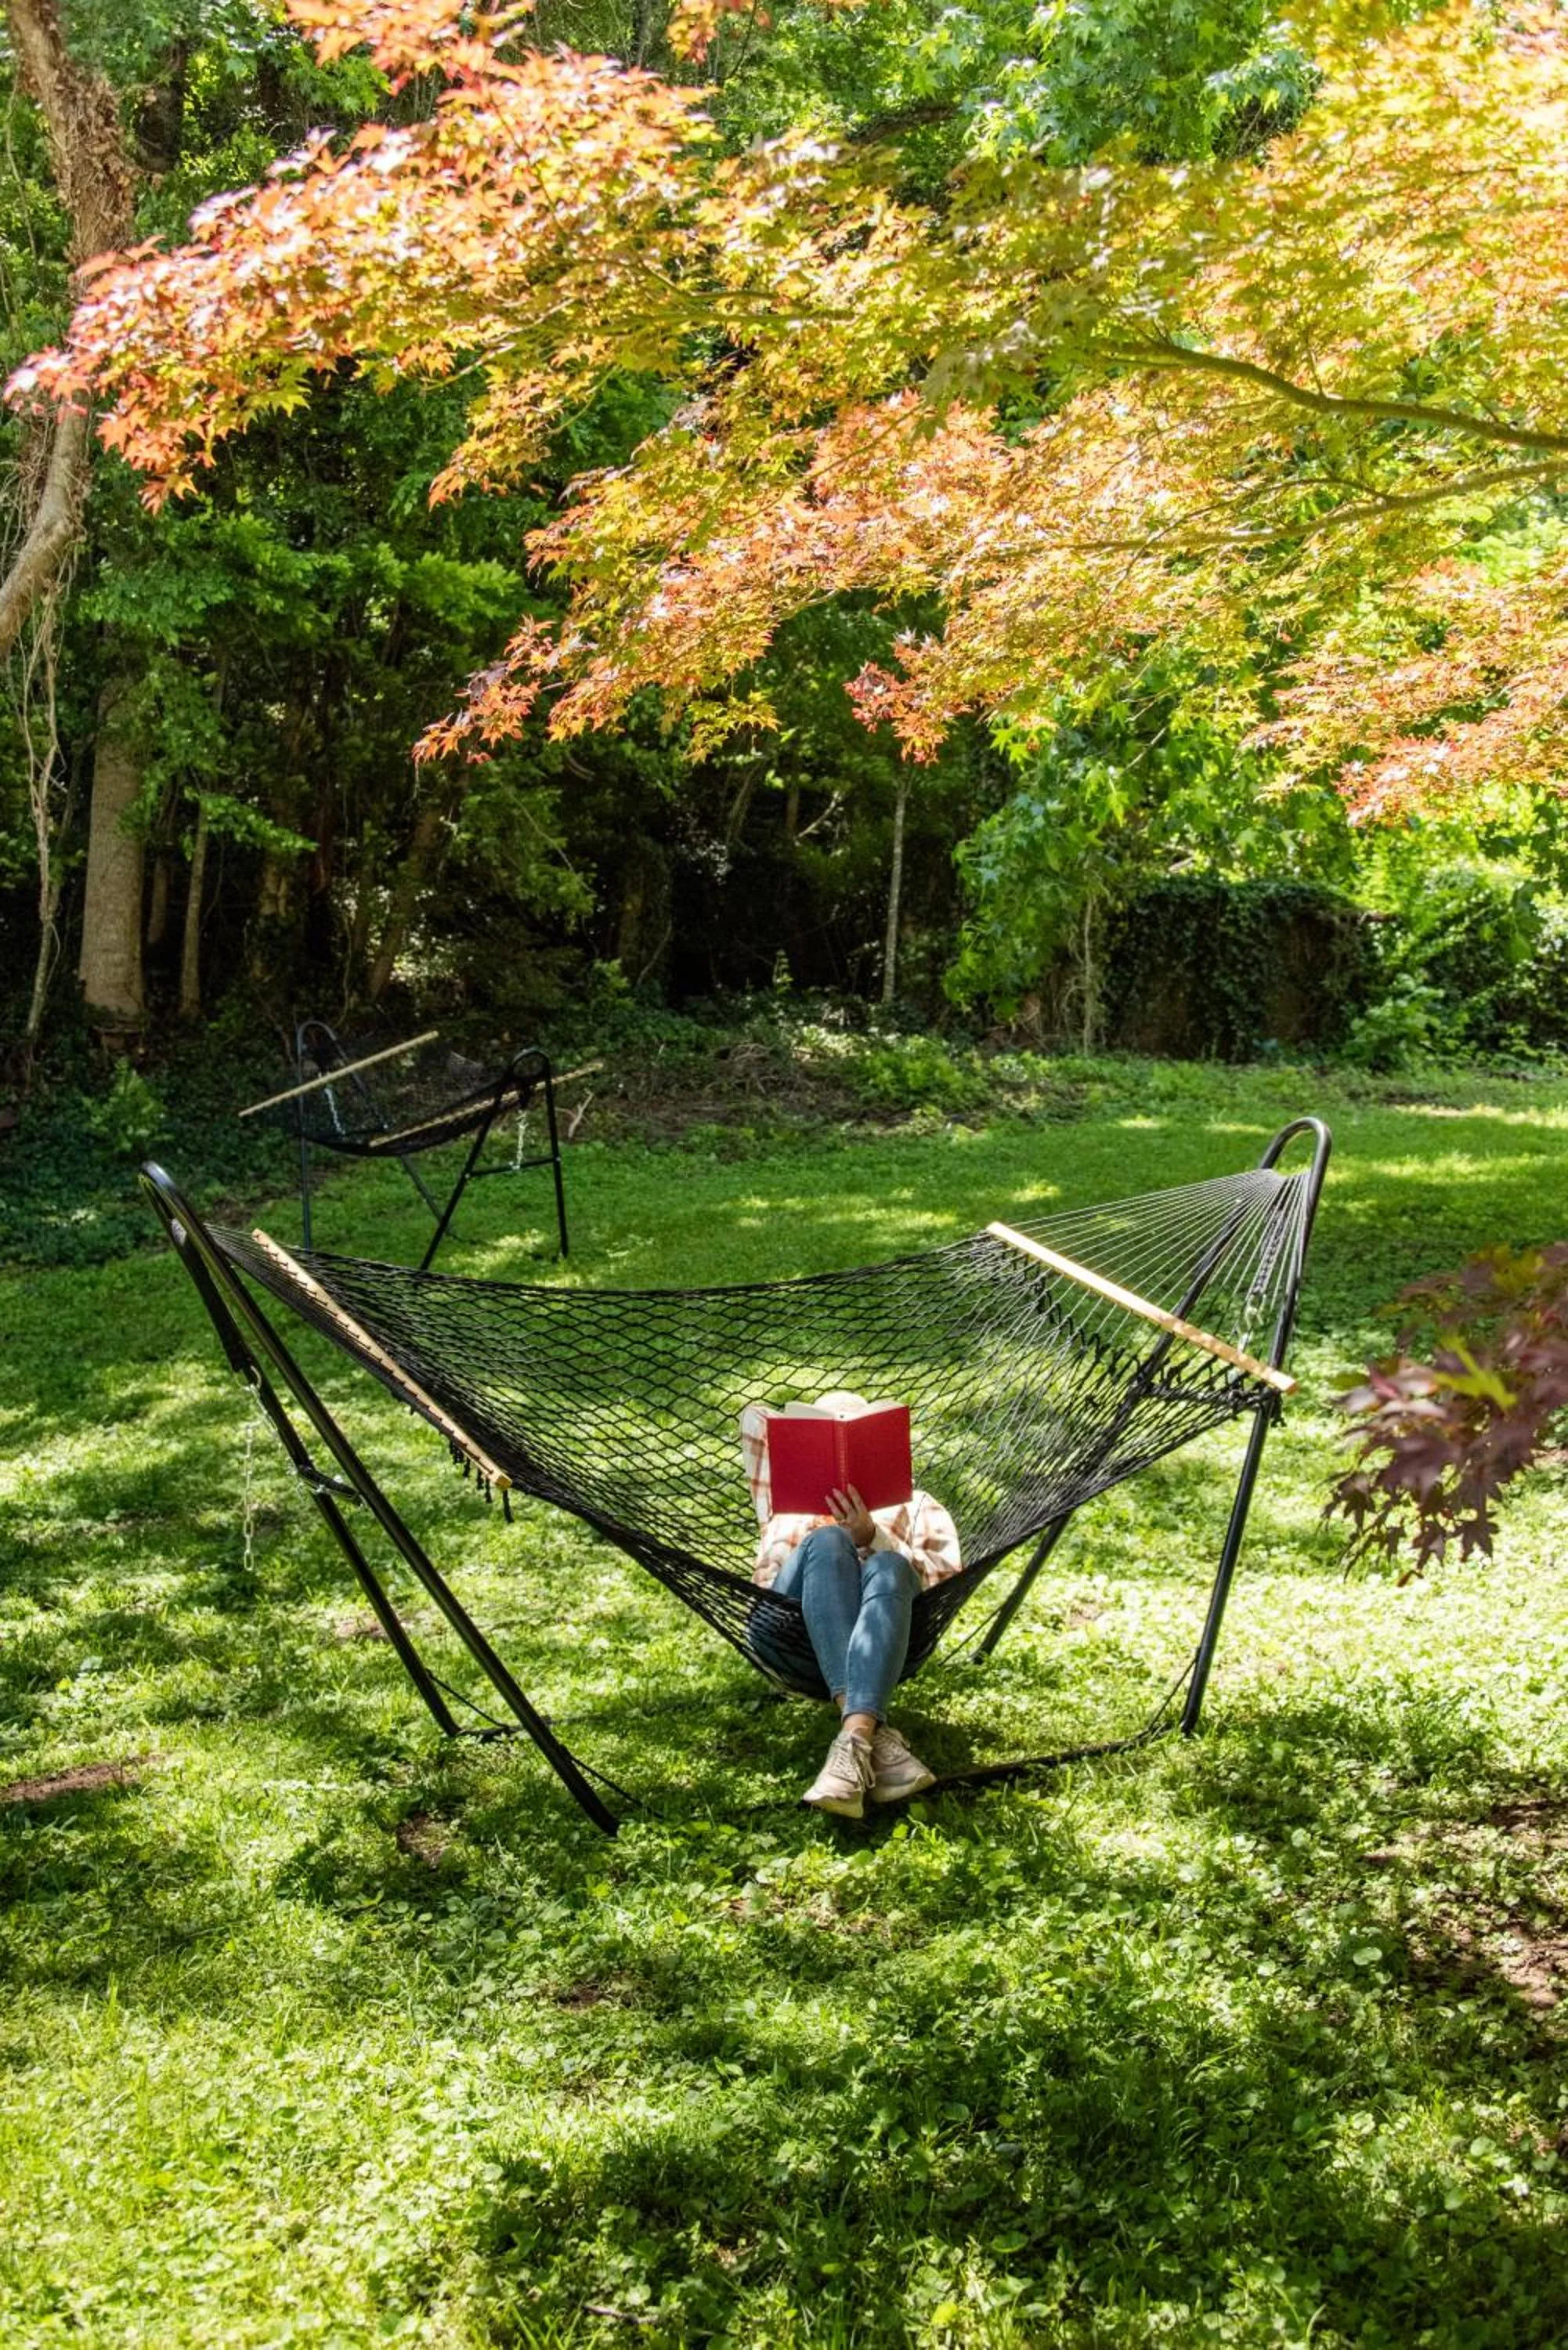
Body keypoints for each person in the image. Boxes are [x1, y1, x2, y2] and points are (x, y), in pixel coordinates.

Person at [740, 1394, 963, 1819]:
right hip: (787, 1629)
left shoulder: (918, 1504)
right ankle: (873, 1734)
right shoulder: (784, 1502)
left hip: (892, 1627)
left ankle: (854, 1741)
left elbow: (943, 1578)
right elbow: (753, 1418)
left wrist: (873, 1538)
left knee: (891, 1566)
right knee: (827, 1541)